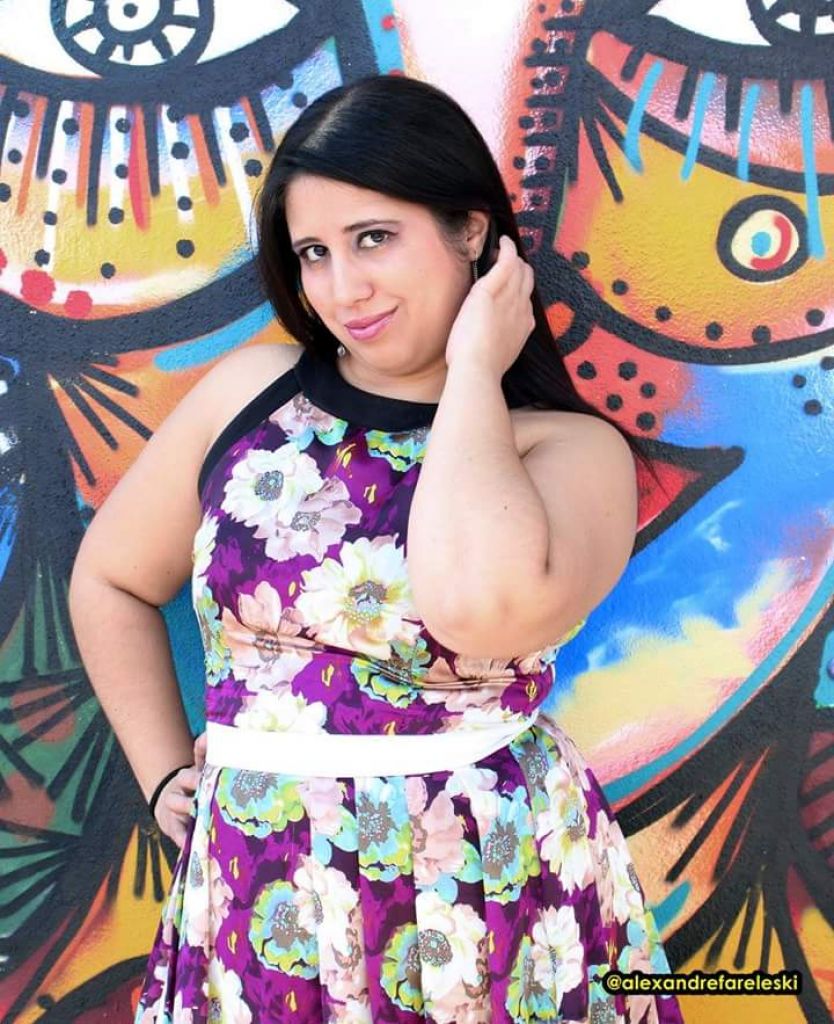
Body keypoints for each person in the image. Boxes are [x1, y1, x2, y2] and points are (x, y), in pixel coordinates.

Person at [69, 74, 684, 1024]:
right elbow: (110, 579)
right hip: (260, 885)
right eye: (314, 253)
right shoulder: (252, 394)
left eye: (374, 239)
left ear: (472, 233)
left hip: (482, 887)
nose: (342, 288)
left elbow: (476, 609)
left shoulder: (568, 450)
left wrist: (472, 371)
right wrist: (164, 779)